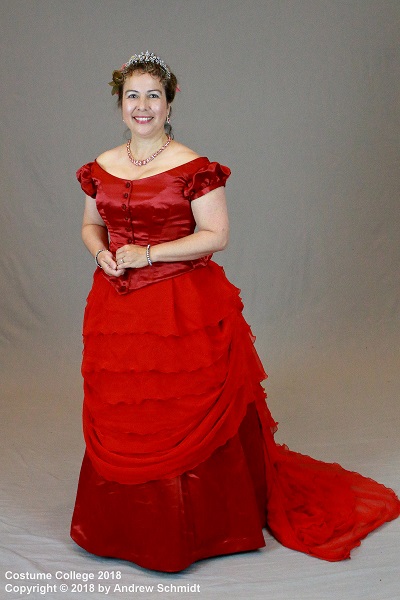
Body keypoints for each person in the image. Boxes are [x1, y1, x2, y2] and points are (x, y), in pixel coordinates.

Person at [70, 51, 400, 572]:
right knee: (130, 408)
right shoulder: (101, 165)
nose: (142, 106)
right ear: (119, 104)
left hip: (182, 307)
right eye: (132, 95)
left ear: (170, 101)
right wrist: (102, 252)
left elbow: (216, 237)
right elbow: (91, 226)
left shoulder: (195, 168)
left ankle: (196, 530)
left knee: (180, 407)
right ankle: (123, 527)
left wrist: (149, 254)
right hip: (117, 307)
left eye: (153, 95)